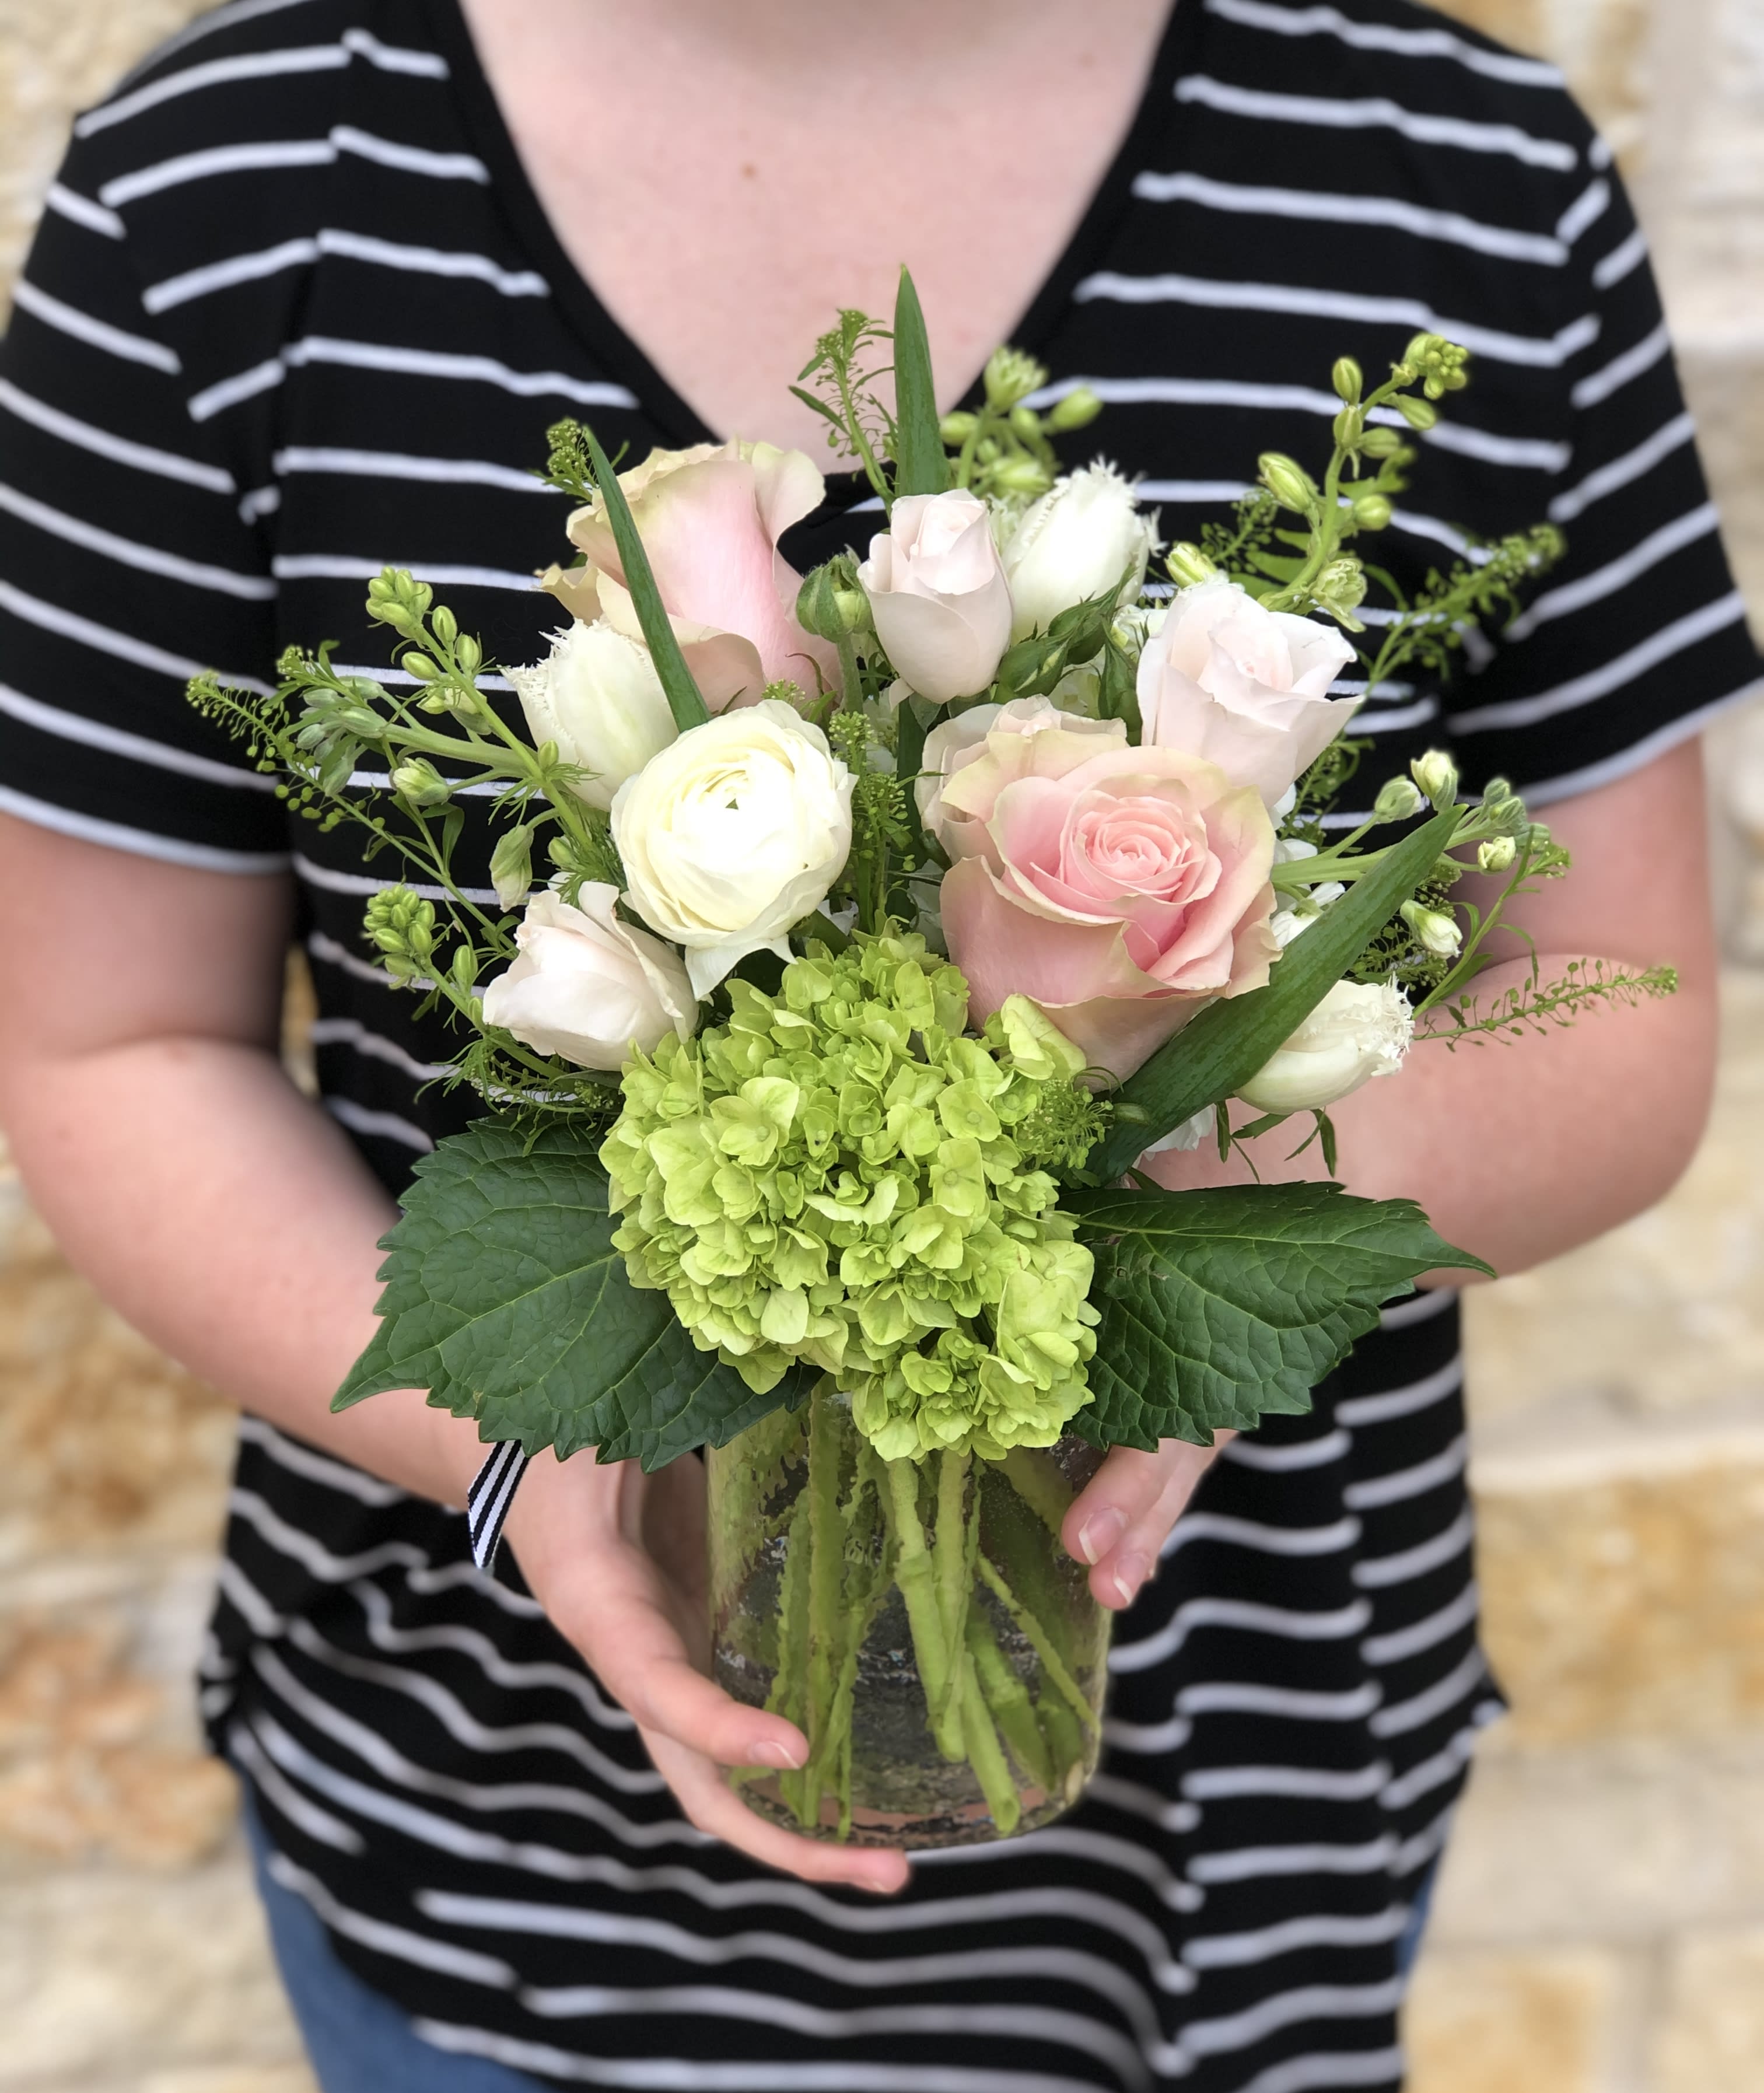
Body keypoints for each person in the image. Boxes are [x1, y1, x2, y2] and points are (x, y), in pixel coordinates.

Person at [0, 0, 1754, 2086]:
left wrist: (1167, 1238)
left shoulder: (1448, 172)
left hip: (1240, 1828)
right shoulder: (230, 193)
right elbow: (112, 1047)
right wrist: (521, 1464)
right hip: (497, 1878)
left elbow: (1617, 1016)